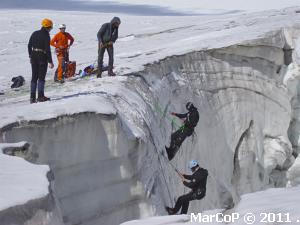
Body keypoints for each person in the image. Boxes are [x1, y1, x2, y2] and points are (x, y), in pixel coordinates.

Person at [28, 18, 54, 103]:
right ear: (48, 27)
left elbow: (29, 45)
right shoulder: (46, 35)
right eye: (51, 27)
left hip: (34, 56)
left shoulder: (35, 33)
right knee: (41, 77)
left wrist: (30, 56)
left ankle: (32, 98)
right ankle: (40, 96)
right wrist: (50, 61)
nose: (51, 29)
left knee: (34, 77)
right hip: (42, 57)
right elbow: (47, 49)